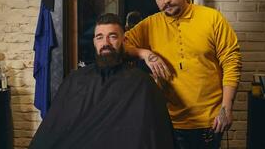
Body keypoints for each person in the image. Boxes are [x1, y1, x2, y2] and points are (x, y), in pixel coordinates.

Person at [124, 0, 242, 149]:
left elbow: (231, 61)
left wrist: (226, 107)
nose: (166, 1)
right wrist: (145, 53)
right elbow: (120, 45)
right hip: (169, 120)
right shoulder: (150, 24)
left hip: (209, 120)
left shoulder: (212, 18)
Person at [29, 13, 175, 149]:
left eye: (112, 36)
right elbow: (52, 131)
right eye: (100, 37)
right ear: (94, 42)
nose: (105, 43)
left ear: (123, 40)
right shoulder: (76, 80)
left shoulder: (142, 84)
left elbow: (155, 138)